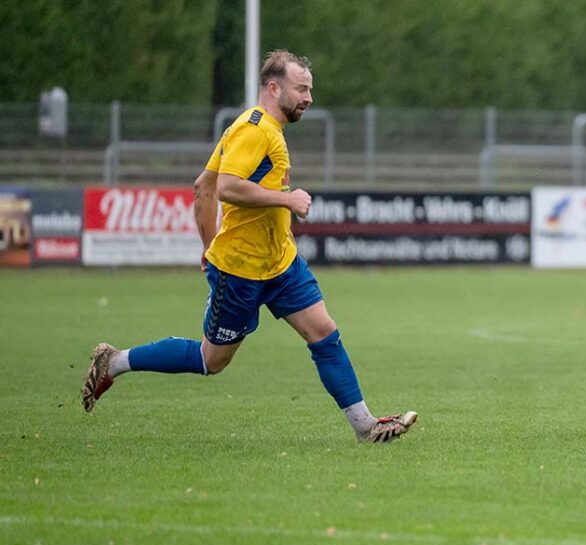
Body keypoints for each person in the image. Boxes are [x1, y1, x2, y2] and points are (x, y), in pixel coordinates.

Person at [82, 50, 417, 443]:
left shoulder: (262, 128)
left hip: (280, 262)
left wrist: (208, 245)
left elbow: (202, 186)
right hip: (241, 269)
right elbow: (226, 188)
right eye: (302, 88)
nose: (309, 97)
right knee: (212, 360)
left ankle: (365, 426)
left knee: (324, 332)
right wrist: (286, 200)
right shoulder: (253, 130)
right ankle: (115, 362)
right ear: (274, 88)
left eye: (310, 88)